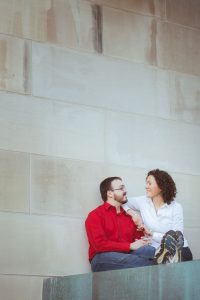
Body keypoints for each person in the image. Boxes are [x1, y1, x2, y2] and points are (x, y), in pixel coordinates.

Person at [85, 177, 156, 272]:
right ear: (110, 193)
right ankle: (160, 266)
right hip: (102, 259)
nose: (125, 191)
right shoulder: (95, 215)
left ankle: (159, 264)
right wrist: (129, 246)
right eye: (121, 188)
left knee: (149, 250)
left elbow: (137, 243)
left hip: (126, 256)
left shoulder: (129, 217)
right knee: (132, 259)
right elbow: (99, 245)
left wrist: (141, 228)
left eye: (124, 187)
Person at [123, 169, 193, 263]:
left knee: (175, 257)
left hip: (179, 250)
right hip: (155, 250)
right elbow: (122, 202)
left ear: (161, 186)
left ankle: (169, 260)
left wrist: (152, 234)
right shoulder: (143, 201)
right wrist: (133, 213)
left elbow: (176, 238)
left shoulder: (176, 207)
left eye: (149, 183)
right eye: (146, 183)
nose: (146, 186)